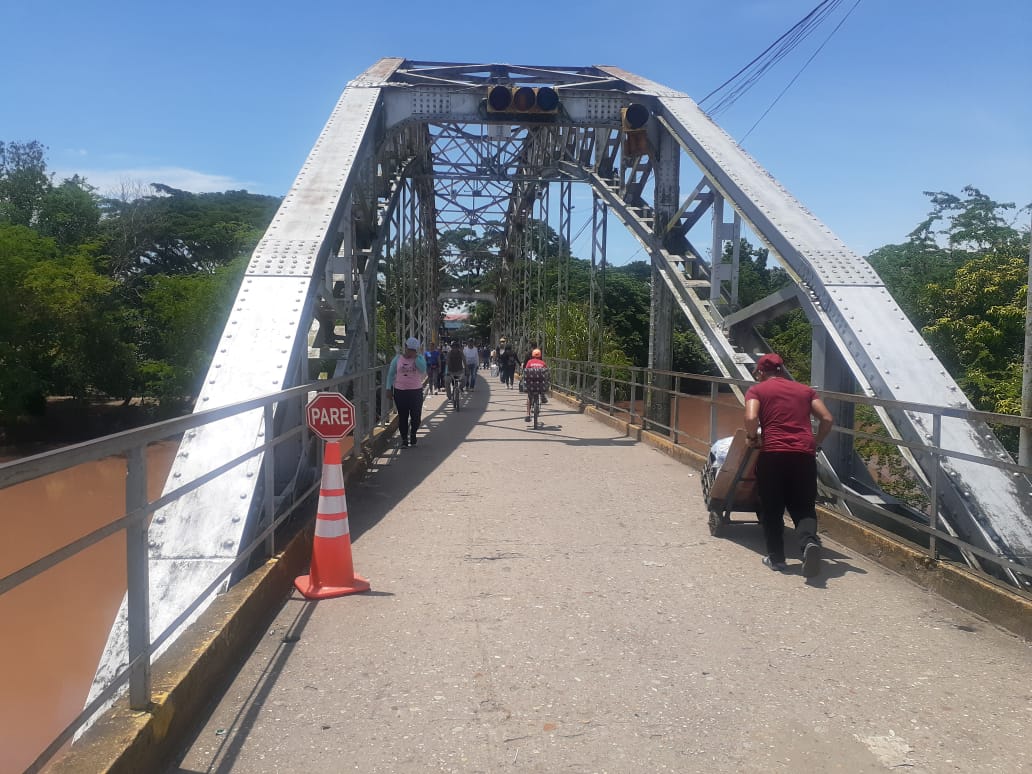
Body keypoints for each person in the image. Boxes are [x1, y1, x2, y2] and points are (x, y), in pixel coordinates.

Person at [744, 352, 834, 577]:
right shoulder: (806, 391)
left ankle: (777, 559)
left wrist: (753, 438)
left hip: (773, 453)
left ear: (761, 372)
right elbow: (827, 419)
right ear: (782, 369)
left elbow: (750, 418)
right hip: (803, 453)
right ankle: (809, 544)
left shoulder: (757, 390)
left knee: (772, 507)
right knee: (803, 506)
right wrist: (816, 442)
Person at [386, 337, 427, 448]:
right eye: (409, 349)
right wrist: (388, 388)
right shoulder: (397, 359)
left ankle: (413, 433)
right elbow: (391, 374)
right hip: (400, 391)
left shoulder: (419, 358)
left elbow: (423, 370)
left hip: (416, 391)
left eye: (413, 350)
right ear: (405, 347)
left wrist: (416, 358)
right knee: (403, 416)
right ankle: (404, 439)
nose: (411, 352)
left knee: (416, 416)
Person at [522, 348, 550, 422]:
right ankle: (543, 396)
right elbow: (546, 373)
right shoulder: (542, 363)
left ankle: (528, 414)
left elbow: (526, 372)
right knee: (544, 382)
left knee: (529, 397)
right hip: (540, 385)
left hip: (531, 385)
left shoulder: (529, 362)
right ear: (540, 355)